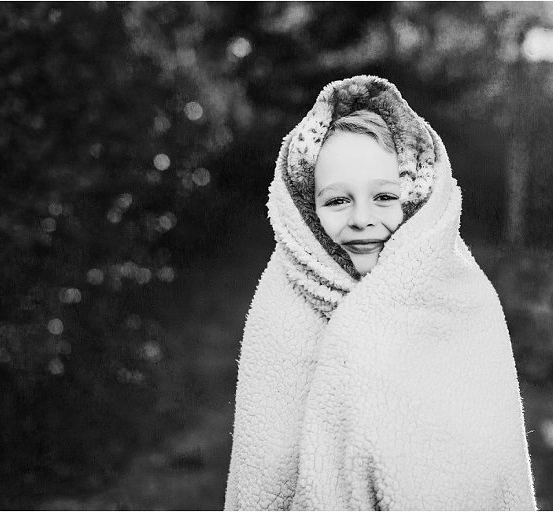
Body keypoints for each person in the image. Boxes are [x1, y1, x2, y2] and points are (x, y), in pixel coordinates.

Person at [224, 75, 536, 510]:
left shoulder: (464, 300)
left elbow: (489, 462)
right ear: (307, 211)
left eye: (384, 197)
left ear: (415, 198)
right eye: (336, 201)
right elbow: (263, 467)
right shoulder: (283, 303)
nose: (361, 219)